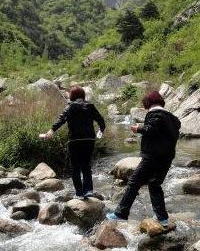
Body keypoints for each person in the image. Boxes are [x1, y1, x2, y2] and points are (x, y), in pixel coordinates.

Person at [107, 91, 181, 226]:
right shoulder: (173, 119)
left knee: (134, 182)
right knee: (154, 184)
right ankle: (163, 218)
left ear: (148, 103)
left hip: (152, 157)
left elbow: (151, 129)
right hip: (167, 158)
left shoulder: (155, 114)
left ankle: (121, 213)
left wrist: (138, 129)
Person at [40, 86, 105, 199]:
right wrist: (101, 130)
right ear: (82, 95)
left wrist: (50, 131)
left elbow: (61, 119)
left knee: (75, 167)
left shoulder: (70, 107)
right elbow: (101, 120)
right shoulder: (90, 106)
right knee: (86, 166)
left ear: (72, 96)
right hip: (89, 140)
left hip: (75, 140)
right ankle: (88, 190)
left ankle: (79, 193)